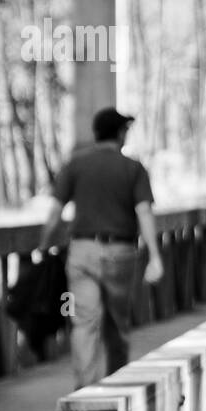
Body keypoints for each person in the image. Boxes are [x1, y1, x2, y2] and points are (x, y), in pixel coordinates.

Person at [37, 107, 164, 389]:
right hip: (120, 253)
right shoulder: (133, 169)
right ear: (119, 134)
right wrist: (155, 257)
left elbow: (55, 213)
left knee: (84, 323)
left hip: (81, 251)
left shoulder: (75, 165)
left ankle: (85, 391)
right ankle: (116, 388)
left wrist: (43, 247)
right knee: (117, 324)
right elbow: (144, 213)